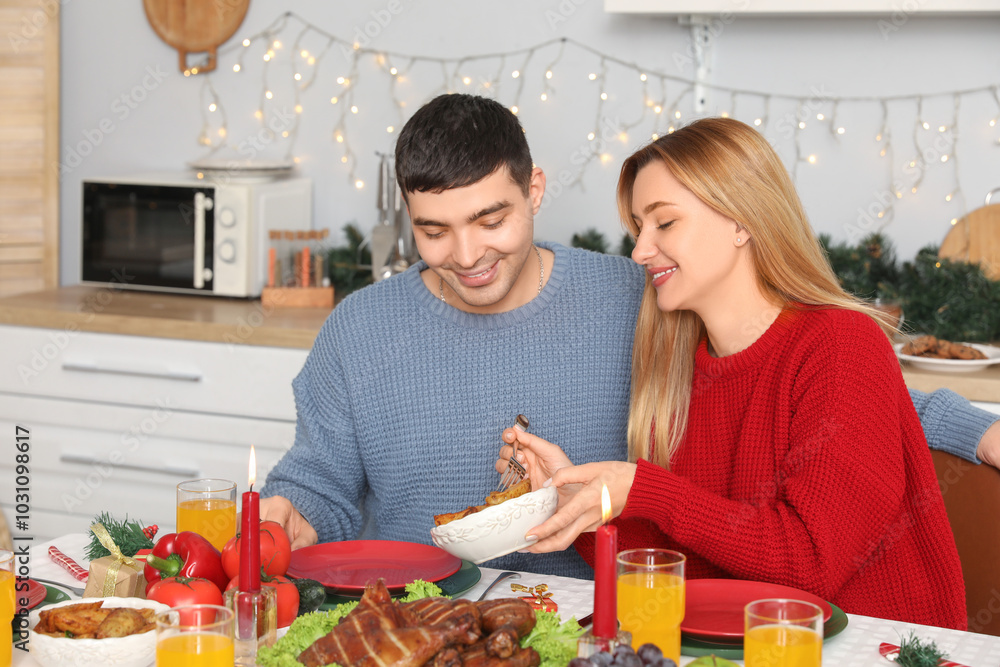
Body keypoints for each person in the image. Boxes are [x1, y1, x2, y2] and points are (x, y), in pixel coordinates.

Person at [259, 93, 997, 581]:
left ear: (535, 191)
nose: (467, 255)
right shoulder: (360, 328)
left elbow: (818, 382)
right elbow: (316, 482)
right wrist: (287, 514)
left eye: (492, 220)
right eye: (434, 231)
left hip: (609, 628)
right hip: (419, 619)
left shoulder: (639, 298)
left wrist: (976, 429)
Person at [501, 117, 967, 629]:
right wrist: (578, 504)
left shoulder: (841, 345)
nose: (639, 251)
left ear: (742, 220)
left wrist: (644, 488)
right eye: (638, 228)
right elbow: (697, 570)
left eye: (665, 223)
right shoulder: (679, 369)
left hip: (877, 649)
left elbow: (808, 567)